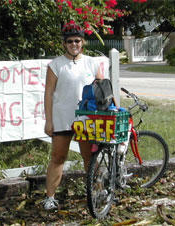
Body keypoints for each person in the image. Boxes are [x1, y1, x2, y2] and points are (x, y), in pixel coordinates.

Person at [42, 22, 104, 210]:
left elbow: (103, 91)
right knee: (58, 158)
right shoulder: (55, 65)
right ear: (64, 43)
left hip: (86, 119)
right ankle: (50, 198)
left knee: (89, 159)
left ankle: (98, 193)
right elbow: (48, 92)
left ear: (83, 42)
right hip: (62, 118)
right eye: (70, 41)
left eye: (77, 40)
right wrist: (49, 120)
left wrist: (112, 111)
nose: (74, 44)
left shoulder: (92, 63)